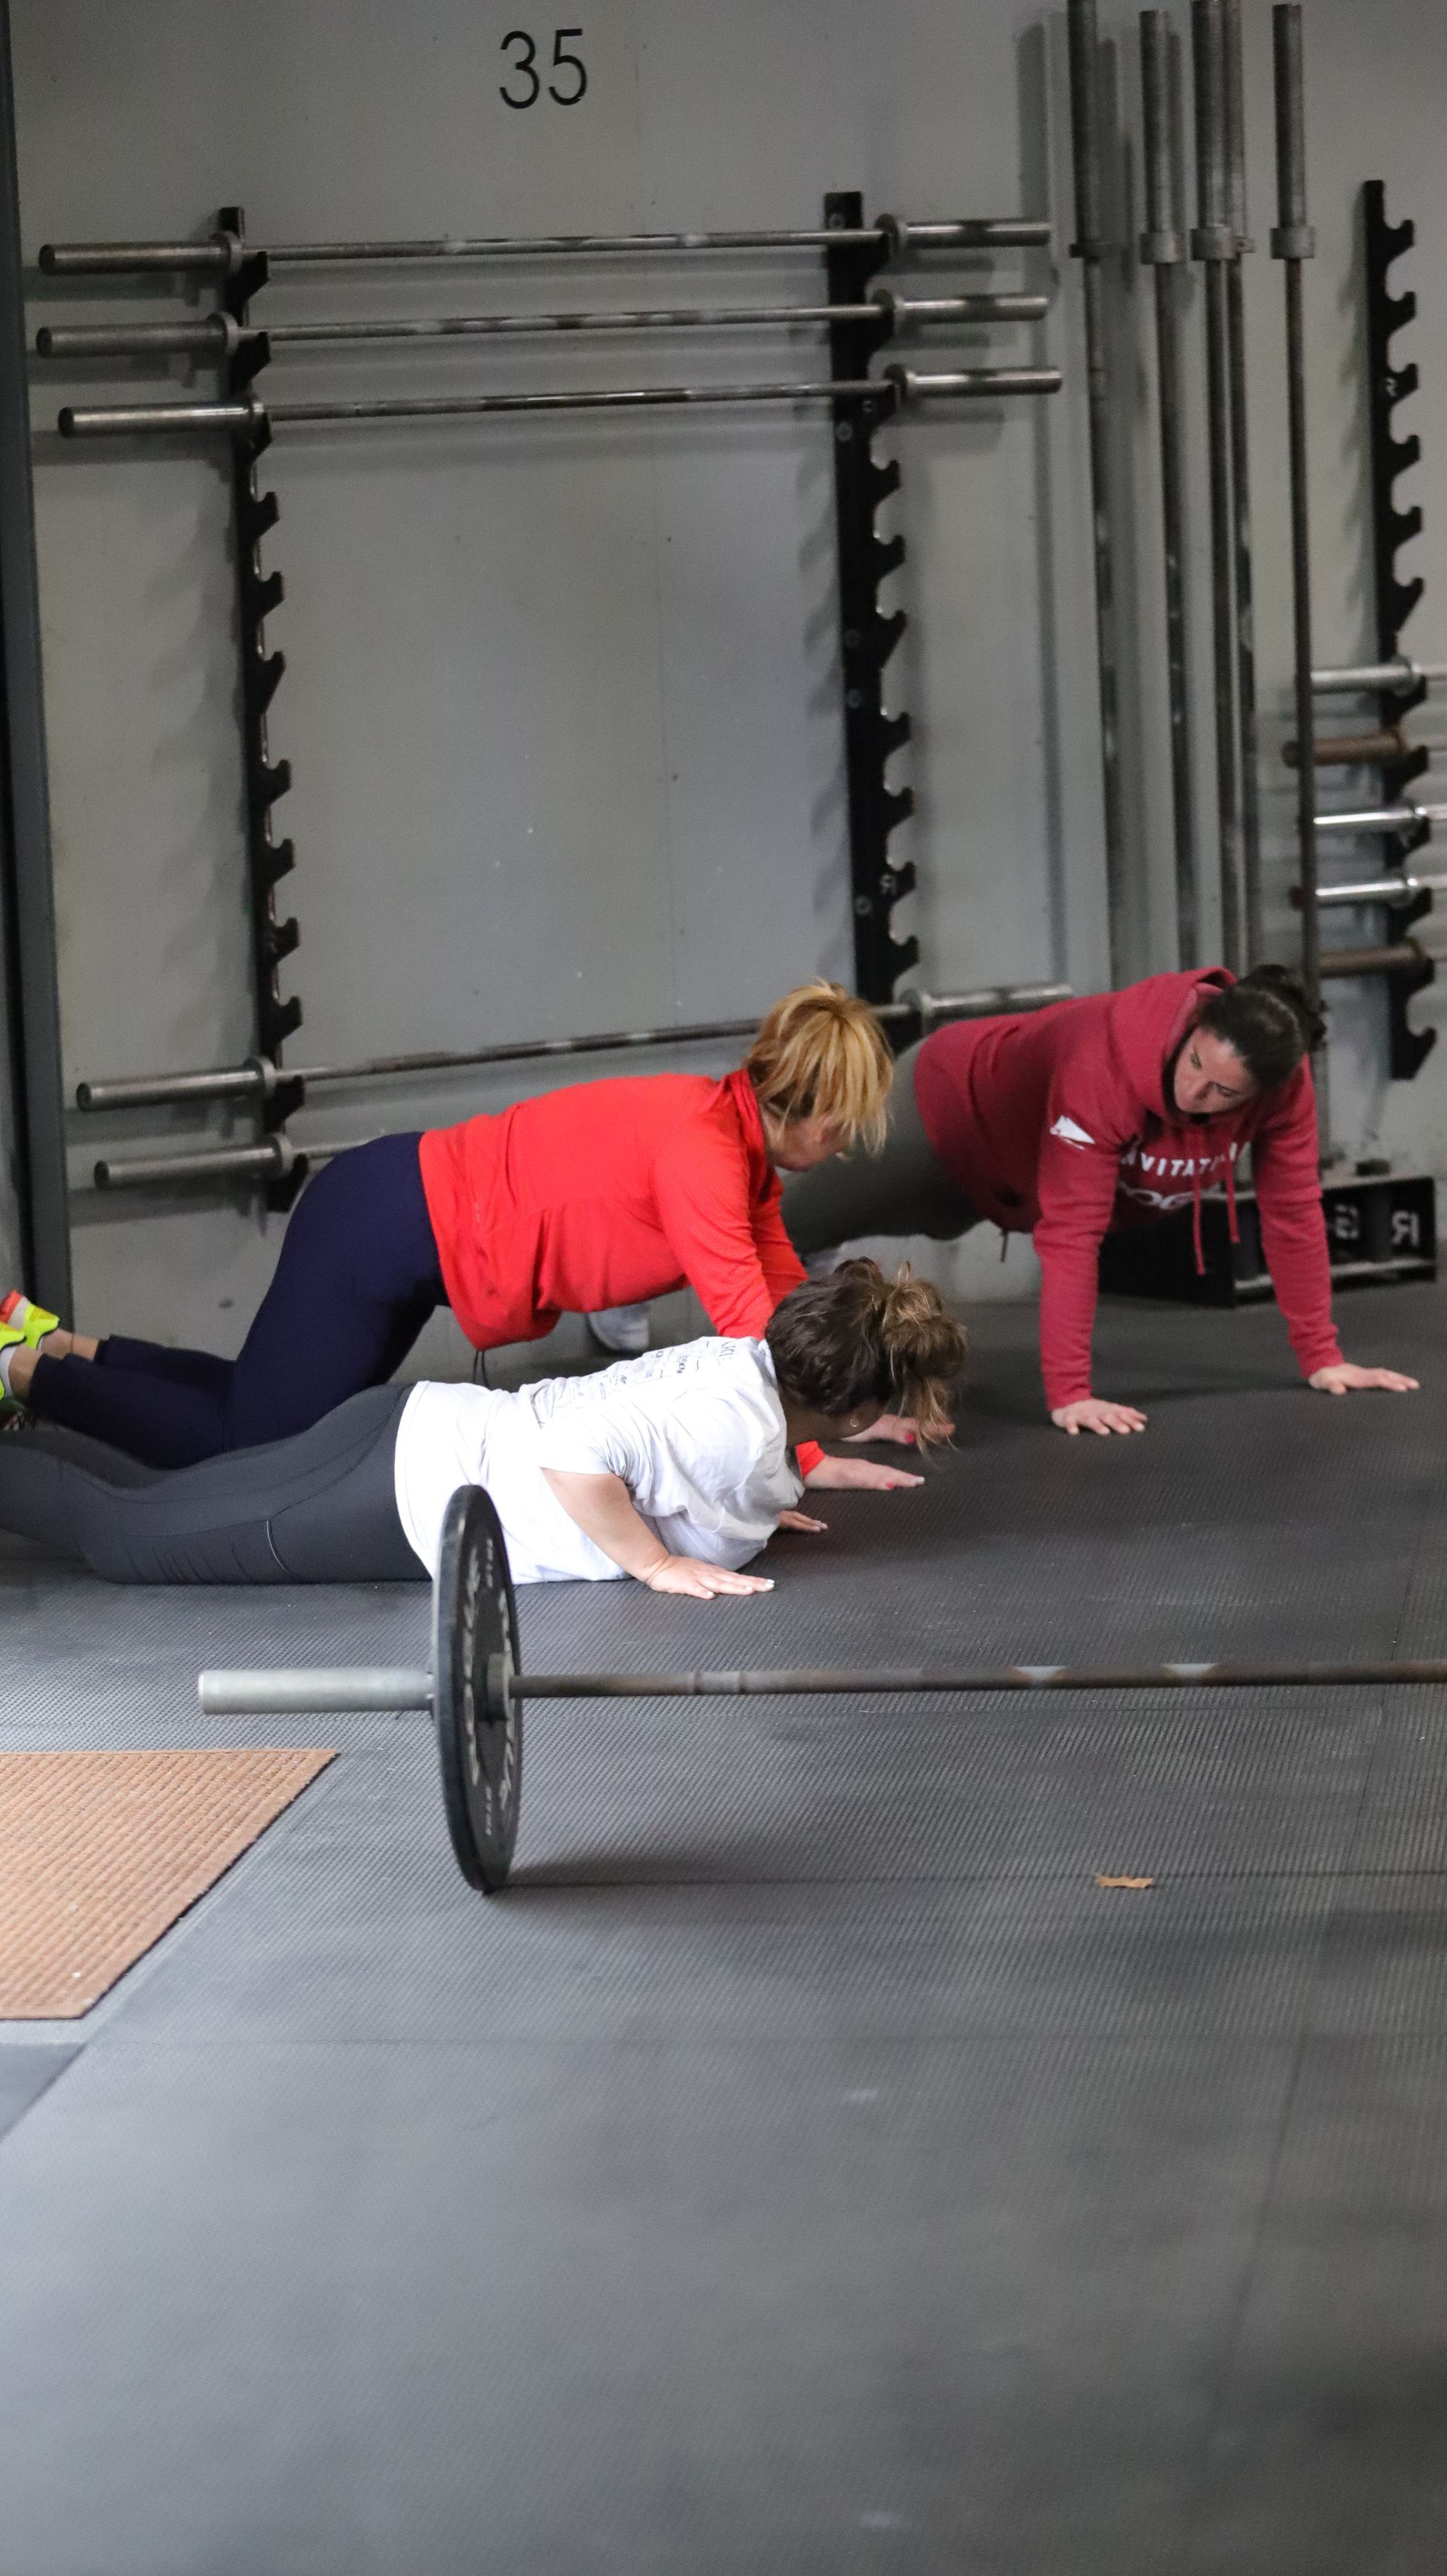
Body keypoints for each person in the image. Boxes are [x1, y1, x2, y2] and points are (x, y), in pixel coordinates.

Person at [0, 981, 915, 1493]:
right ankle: (18, 1371)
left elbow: (785, 1294)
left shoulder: (733, 1142)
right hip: (384, 1224)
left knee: (262, 1410)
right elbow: (748, 1327)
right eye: (845, 1128)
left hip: (396, 1224)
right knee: (244, 1448)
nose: (841, 1149)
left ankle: (53, 1342)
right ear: (814, 1110)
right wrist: (810, 1453)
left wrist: (864, 1395)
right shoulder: (702, 1154)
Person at [0, 1262, 968, 1594]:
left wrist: (758, 1504)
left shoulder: (739, 1363)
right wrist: (655, 1562)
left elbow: (672, 1452)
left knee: (153, 1502)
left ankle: (14, 1372)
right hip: (395, 1497)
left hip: (409, 1429)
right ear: (850, 1410)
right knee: (127, 1537)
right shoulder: (741, 1439)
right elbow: (575, 1455)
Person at [781, 964, 1418, 1434]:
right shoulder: (1105, 1060)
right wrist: (1071, 1393)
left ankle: (817, 1268)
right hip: (942, 1112)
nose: (1195, 1093)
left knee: (934, 1222)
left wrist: (1323, 1355)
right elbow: (1072, 1233)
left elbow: (1293, 1212)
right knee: (788, 1220)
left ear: (1262, 1092)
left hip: (1002, 1188)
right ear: (1195, 1027)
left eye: (1225, 1092)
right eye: (1196, 1063)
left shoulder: (1284, 1091)